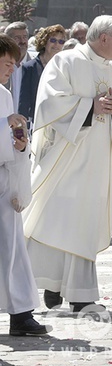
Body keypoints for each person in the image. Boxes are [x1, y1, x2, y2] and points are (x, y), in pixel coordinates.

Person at [23, 15, 112, 313]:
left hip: (100, 163)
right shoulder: (66, 63)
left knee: (85, 224)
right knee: (57, 220)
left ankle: (80, 294)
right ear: (103, 39)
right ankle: (52, 283)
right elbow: (50, 103)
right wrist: (90, 106)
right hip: (67, 160)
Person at [0, 34, 51, 336]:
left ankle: (21, 314)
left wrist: (19, 144)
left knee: (13, 249)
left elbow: (8, 137)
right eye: (7, 64)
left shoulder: (4, 94)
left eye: (13, 66)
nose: (11, 71)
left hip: (5, 182)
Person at [18, 24, 66, 120]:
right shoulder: (30, 67)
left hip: (57, 120)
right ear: (44, 42)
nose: (56, 45)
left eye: (61, 41)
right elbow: (24, 101)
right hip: (35, 120)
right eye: (53, 40)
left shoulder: (64, 68)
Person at [4, 22, 32, 112]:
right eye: (17, 38)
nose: (22, 41)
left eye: (25, 37)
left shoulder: (37, 66)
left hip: (28, 123)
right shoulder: (2, 64)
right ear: (8, 40)